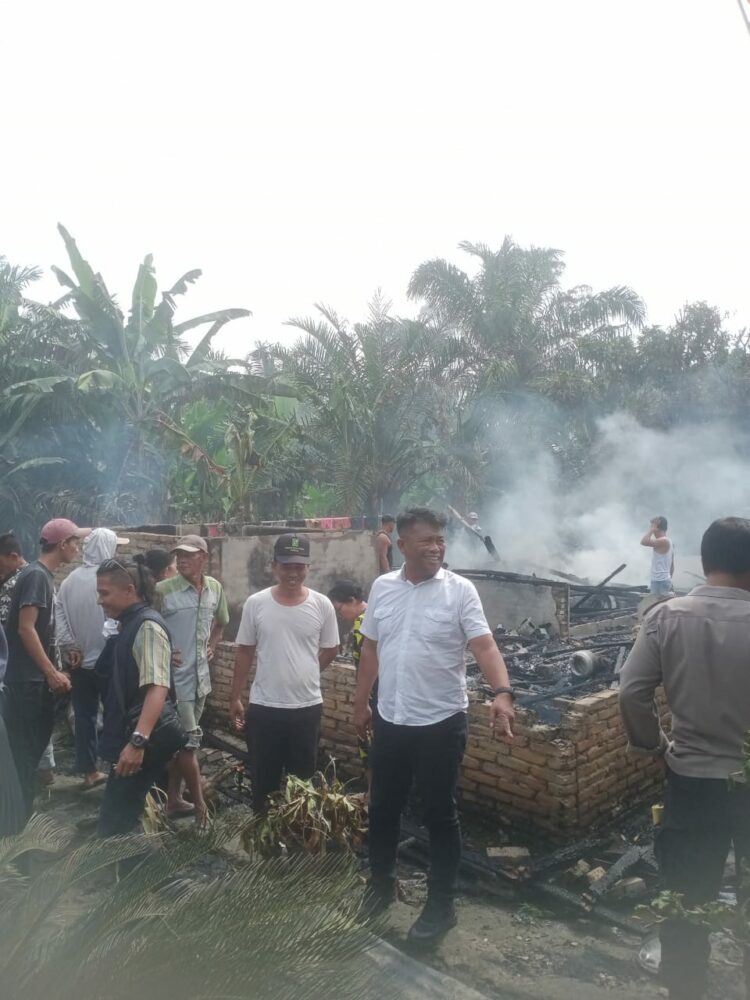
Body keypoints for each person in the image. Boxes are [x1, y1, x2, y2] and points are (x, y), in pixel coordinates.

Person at [354, 507, 515, 945]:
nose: (436, 547)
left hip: (440, 723)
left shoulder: (460, 591)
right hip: (391, 718)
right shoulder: (383, 588)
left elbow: (484, 644)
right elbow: (370, 649)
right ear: (401, 545)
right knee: (384, 807)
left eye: (440, 540)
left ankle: (440, 905)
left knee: (439, 814)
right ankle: (380, 885)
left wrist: (502, 693)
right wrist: (360, 703)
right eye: (425, 540)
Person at [620, 517, 750, 1000]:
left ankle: (686, 987)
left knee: (687, 899)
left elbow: (631, 693)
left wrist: (654, 746)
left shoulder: (666, 616)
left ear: (705, 560)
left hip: (692, 782)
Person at [229, 533, 340, 810]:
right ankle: (264, 836)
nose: (293, 572)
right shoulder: (256, 603)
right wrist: (235, 697)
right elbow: (245, 651)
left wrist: (309, 672)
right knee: (263, 779)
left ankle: (297, 839)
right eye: (287, 565)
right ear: (274, 566)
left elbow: (331, 648)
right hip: (265, 707)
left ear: (308, 568)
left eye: (299, 566)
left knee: (301, 783)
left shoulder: (321, 604)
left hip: (307, 707)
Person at [95, 557, 200, 835]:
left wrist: (138, 742)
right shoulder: (130, 624)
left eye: (104, 593)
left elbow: (158, 687)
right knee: (120, 816)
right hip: (130, 733)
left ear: (129, 591)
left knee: (118, 822)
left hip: (140, 738)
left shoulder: (147, 626)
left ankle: (143, 875)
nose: (99, 600)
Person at [3, 519, 86, 821]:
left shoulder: (37, 574)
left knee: (27, 755)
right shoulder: (37, 576)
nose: (78, 548)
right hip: (26, 682)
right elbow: (26, 629)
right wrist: (52, 672)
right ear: (62, 544)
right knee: (24, 758)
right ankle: (17, 829)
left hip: (28, 680)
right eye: (75, 542)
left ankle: (19, 822)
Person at [157, 535, 228, 818]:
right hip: (175, 683)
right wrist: (163, 652)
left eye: (189, 554)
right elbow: (146, 627)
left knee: (183, 745)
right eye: (178, 555)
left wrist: (212, 645)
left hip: (201, 680)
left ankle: (173, 799)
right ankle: (200, 807)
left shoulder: (214, 588)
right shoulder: (163, 589)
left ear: (204, 557)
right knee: (189, 746)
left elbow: (221, 622)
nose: (182, 560)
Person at [55, 528, 129, 789]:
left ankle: (89, 772)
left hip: (79, 661)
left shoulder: (69, 581)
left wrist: (68, 646)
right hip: (109, 662)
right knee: (114, 715)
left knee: (84, 716)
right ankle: (116, 769)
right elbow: (116, 621)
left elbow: (60, 617)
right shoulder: (112, 580)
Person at [0, 533, 57, 787]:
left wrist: (50, 671)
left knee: (25, 739)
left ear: (13, 556)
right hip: (25, 672)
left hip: (24, 671)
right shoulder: (31, 576)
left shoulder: (26, 578)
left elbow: (25, 628)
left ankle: (27, 791)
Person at [327, 580, 372, 786]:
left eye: (340, 608)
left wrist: (363, 703)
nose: (340, 615)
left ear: (352, 601)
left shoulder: (362, 623)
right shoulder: (374, 614)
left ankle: (374, 796)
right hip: (381, 696)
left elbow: (368, 666)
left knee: (369, 747)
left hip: (374, 697)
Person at [640, 516, 674, 594]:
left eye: (652, 526)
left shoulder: (663, 540)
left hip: (660, 581)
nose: (651, 529)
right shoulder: (669, 541)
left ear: (657, 528)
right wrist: (669, 579)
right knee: (659, 604)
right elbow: (672, 566)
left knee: (656, 604)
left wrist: (651, 529)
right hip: (662, 580)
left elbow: (643, 542)